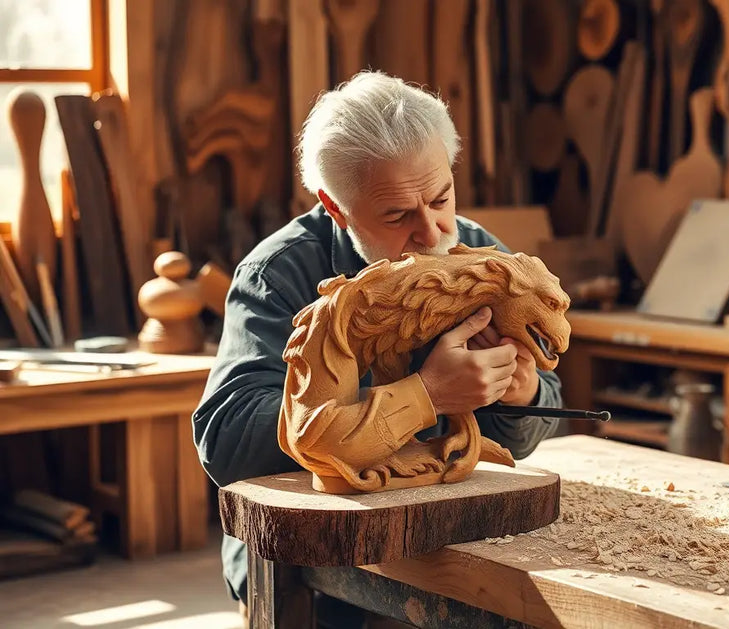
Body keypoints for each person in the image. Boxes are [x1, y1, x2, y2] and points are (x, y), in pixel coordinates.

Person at [191, 70, 563, 617]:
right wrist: (426, 396)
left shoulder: (482, 257)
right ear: (336, 206)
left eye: (441, 198)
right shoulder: (278, 273)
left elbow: (544, 410)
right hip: (315, 563)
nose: (433, 233)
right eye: (397, 215)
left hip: (446, 538)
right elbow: (227, 444)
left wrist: (519, 389)